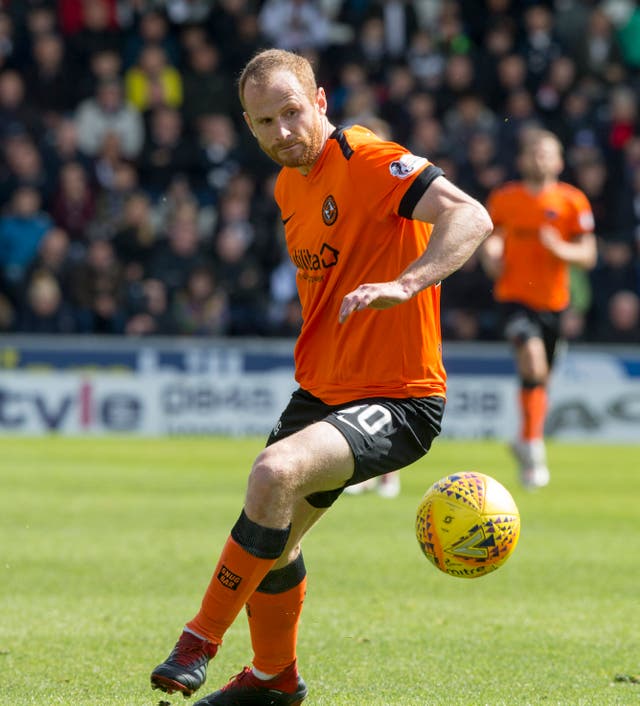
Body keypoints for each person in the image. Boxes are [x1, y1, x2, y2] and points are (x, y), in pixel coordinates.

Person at [150, 48, 492, 705]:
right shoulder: (287, 185)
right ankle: (275, 680)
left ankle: (197, 642)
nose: (282, 131)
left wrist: (409, 281)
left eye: (292, 112)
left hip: (398, 397)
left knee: (273, 474)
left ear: (322, 102)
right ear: (248, 128)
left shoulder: (366, 160)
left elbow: (470, 215)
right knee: (271, 538)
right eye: (264, 122)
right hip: (321, 390)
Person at [481, 128, 597, 490]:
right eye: (533, 153)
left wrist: (560, 250)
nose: (539, 159)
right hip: (515, 298)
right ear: (521, 160)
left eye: (547, 153)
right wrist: (491, 254)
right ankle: (533, 449)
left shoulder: (572, 201)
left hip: (554, 304)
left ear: (560, 160)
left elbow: (588, 254)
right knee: (532, 361)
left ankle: (525, 437)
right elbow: (491, 238)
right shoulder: (504, 198)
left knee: (540, 377)